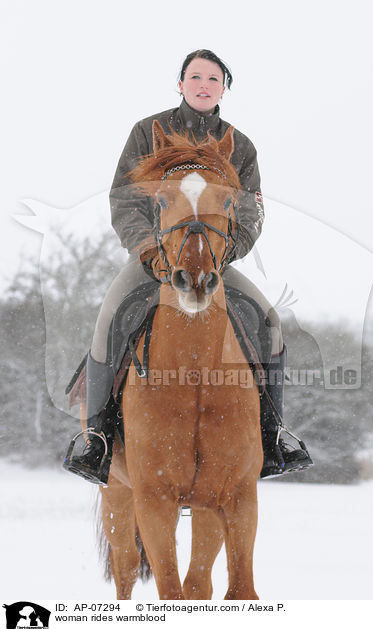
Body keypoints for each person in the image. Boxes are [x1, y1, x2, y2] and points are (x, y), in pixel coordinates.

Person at [63, 49, 311, 486]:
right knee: (109, 318)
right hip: (153, 260)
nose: (203, 84)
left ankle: (274, 437)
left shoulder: (241, 146)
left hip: (212, 261)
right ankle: (96, 438)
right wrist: (149, 251)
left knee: (269, 321)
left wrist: (223, 252)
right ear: (180, 84)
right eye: (195, 76)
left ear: (223, 89)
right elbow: (124, 198)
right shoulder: (147, 132)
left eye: (213, 78)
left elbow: (251, 212)